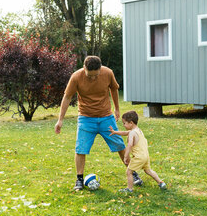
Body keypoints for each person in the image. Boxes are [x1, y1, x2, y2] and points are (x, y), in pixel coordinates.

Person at [55, 56, 143, 190]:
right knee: (81, 148)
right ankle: (79, 179)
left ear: (100, 69)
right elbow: (67, 96)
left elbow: (114, 89)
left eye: (96, 75)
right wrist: (60, 119)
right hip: (85, 118)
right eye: (90, 76)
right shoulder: (76, 77)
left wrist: (117, 109)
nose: (93, 78)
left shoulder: (107, 73)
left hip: (106, 117)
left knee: (119, 145)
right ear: (84, 68)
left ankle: (133, 173)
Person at [109, 110, 167, 193]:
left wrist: (126, 156)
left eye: (124, 123)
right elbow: (125, 133)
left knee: (129, 172)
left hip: (139, 157)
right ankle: (161, 183)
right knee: (148, 170)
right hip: (145, 156)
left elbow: (129, 145)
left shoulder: (132, 133)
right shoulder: (138, 130)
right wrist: (115, 132)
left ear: (131, 123)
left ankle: (129, 189)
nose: (123, 125)